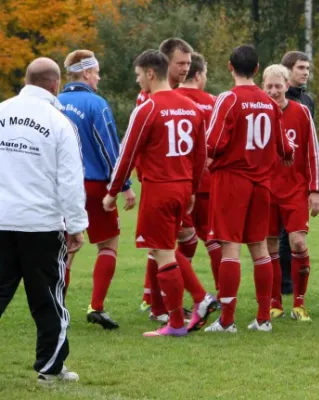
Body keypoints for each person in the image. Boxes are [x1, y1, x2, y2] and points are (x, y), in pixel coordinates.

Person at [105, 49, 216, 337]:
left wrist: (112, 191)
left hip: (159, 188)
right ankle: (197, 301)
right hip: (182, 188)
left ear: (150, 73)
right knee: (165, 246)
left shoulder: (148, 107)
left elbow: (127, 154)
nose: (139, 81)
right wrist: (192, 188)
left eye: (139, 75)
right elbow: (200, 153)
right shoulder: (190, 107)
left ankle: (179, 320)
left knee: (162, 252)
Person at [0, 57, 87, 384]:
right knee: (49, 298)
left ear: (26, 79)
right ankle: (50, 368)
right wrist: (76, 225)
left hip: (2, 219)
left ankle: (52, 366)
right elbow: (69, 179)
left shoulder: (2, 111)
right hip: (40, 224)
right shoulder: (58, 121)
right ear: (55, 84)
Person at [204, 45, 294, 333]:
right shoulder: (270, 103)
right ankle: (264, 317)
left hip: (232, 181)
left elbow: (214, 143)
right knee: (260, 249)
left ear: (230, 67)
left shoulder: (228, 99)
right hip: (262, 184)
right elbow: (285, 148)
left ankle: (228, 320)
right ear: (257, 70)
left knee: (230, 247)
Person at [58, 49, 136, 330]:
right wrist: (124, 185)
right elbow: (109, 148)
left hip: (63, 187)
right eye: (97, 72)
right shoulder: (96, 104)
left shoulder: (54, 103)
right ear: (87, 73)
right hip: (94, 186)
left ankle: (58, 308)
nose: (99, 77)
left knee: (66, 248)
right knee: (108, 243)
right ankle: (97, 306)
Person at [262, 64, 319, 321]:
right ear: (263, 87)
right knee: (270, 246)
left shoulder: (301, 112)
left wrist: (316, 190)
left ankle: (299, 304)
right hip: (265, 189)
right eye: (269, 86)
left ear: (287, 85)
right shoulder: (259, 113)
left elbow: (313, 152)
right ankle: (274, 302)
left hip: (295, 190)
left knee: (298, 242)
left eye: (278, 86)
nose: (274, 91)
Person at [138, 38, 194, 314]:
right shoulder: (148, 98)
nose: (185, 69)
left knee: (164, 244)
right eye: (180, 63)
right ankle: (159, 303)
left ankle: (169, 304)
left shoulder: (175, 99)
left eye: (188, 63)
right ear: (164, 64)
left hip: (169, 183)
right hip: (164, 182)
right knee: (164, 244)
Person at [175, 52, 222, 292]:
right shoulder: (214, 102)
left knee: (165, 244)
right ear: (198, 74)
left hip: (175, 181)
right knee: (213, 240)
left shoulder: (170, 99)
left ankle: (155, 298)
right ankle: (222, 294)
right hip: (207, 182)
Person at [278, 50, 316, 294]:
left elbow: (310, 141)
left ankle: (290, 285)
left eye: (307, 69)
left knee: (294, 235)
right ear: (288, 71)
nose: (305, 73)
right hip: (275, 177)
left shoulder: (307, 101)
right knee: (278, 236)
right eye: (301, 68)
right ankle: (283, 285)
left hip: (298, 179)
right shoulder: (274, 98)